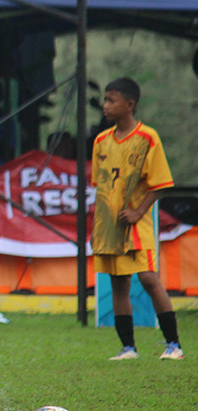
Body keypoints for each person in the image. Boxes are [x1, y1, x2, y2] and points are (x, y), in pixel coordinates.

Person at [92, 77, 183, 361]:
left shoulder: (147, 138)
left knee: (148, 278)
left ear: (129, 104)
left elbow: (160, 185)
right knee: (119, 283)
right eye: (105, 100)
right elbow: (101, 186)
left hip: (136, 226)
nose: (105, 105)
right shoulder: (101, 141)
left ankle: (174, 345)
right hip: (110, 227)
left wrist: (137, 212)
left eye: (111, 100)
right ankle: (128, 348)